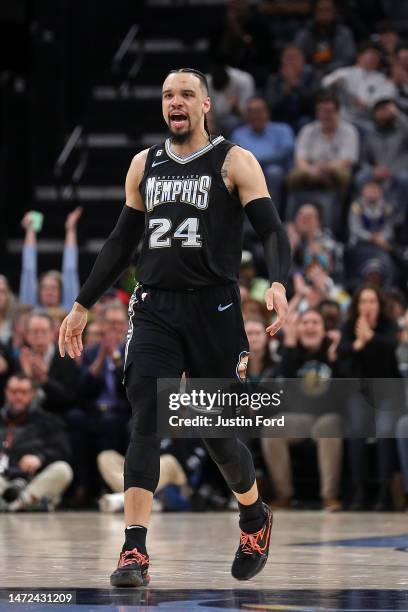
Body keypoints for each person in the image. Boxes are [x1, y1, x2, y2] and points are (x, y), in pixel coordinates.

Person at [58, 68, 291, 587]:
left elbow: (272, 229)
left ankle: (254, 514)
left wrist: (278, 281)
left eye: (187, 93)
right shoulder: (144, 163)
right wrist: (81, 304)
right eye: (167, 94)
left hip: (216, 309)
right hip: (156, 308)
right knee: (146, 417)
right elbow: (121, 242)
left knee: (216, 431)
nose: (175, 101)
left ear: (206, 104)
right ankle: (134, 550)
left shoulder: (235, 160)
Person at [0, 374, 73, 511]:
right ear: (6, 392)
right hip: (4, 481)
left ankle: (15, 504)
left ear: (33, 394)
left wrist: (40, 458)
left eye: (23, 392)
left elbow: (63, 451)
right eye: (14, 391)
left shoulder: (47, 420)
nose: (18, 397)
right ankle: (30, 504)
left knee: (63, 469)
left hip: (34, 481)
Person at [231, 96, 294, 211]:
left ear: (267, 112)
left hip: (277, 172)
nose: (255, 115)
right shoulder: (239, 134)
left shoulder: (282, 129)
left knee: (274, 172)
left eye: (259, 111)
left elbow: (285, 152)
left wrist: (254, 160)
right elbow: (236, 157)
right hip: (249, 172)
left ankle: (272, 219)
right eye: (251, 112)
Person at [19, 207, 82, 312]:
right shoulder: (30, 309)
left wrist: (71, 230)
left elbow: (70, 270)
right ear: (38, 291)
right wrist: (30, 230)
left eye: (54, 288)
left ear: (61, 292)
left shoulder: (68, 310)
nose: (49, 292)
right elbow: (28, 270)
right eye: (44, 287)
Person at [294, 0, 356, 75]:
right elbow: (295, 56)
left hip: (337, 73)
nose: (324, 13)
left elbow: (349, 58)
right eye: (320, 10)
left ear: (334, 12)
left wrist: (327, 69)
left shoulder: (344, 33)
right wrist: (312, 70)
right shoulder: (305, 33)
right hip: (309, 74)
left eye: (328, 10)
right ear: (315, 12)